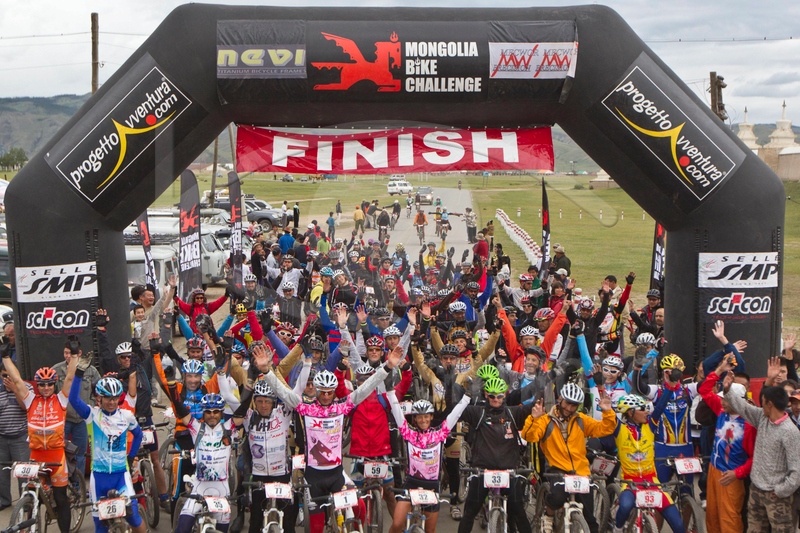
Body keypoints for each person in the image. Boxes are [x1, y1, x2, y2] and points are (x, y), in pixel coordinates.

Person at [259, 345, 404, 533]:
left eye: (330, 392)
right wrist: (266, 371)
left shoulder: (342, 407)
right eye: (323, 392)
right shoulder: (306, 407)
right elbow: (282, 392)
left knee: (359, 509)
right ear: (317, 391)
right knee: (316, 528)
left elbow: (366, 387)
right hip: (314, 476)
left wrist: (387, 367)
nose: (326, 396)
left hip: (336, 474)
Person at [521, 383, 616, 533]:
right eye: (567, 403)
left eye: (574, 406)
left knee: (590, 521)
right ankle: (548, 515)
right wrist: (534, 419)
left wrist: (607, 412)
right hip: (557, 469)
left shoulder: (581, 420)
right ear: (560, 399)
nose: (569, 408)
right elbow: (529, 436)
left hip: (580, 471)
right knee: (557, 497)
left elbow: (605, 429)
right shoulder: (545, 421)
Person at [1, 350, 73, 532]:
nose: (46, 388)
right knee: (34, 497)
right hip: (36, 457)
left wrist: (74, 356)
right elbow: (17, 380)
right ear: (37, 386)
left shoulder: (61, 399)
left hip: (57, 457)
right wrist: (5, 357)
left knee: (61, 499)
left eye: (49, 384)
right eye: (42, 384)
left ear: (54, 384)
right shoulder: (30, 400)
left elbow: (70, 378)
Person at [69, 365, 146, 533]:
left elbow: (138, 435)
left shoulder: (126, 416)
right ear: (99, 398)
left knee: (133, 517)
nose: (111, 402)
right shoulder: (92, 415)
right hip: (99, 478)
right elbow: (73, 399)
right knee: (100, 527)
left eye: (115, 398)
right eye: (107, 398)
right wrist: (79, 373)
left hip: (121, 476)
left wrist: (130, 457)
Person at [387, 390, 470, 533]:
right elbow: (397, 412)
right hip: (412, 483)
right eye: (419, 417)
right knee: (397, 524)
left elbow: (454, 415)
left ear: (431, 417)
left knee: (430, 530)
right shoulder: (409, 433)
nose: (423, 420)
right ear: (415, 419)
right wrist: (390, 392)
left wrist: (467, 397)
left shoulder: (439, 433)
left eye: (426, 416)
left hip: (432, 486)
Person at [457, 378, 534, 533]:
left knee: (520, 514)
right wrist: (463, 390)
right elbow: (456, 409)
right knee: (469, 513)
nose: (495, 399)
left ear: (504, 395)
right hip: (482, 470)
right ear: (486, 394)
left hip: (509, 470)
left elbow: (535, 405)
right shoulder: (478, 412)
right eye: (492, 396)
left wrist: (548, 380)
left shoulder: (513, 413)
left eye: (499, 396)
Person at [611, 394, 686, 533]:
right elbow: (610, 417)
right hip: (630, 482)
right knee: (625, 506)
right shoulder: (619, 429)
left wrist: (670, 386)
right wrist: (604, 403)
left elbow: (660, 407)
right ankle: (618, 529)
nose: (646, 411)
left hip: (652, 482)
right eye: (642, 409)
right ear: (630, 412)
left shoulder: (650, 426)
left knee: (679, 525)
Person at [697, 357, 754, 533]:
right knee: (712, 518)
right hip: (714, 471)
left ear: (738, 401)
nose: (722, 401)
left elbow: (755, 457)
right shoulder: (722, 411)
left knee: (729, 521)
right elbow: (704, 390)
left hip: (731, 477)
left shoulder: (749, 424)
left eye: (726, 399)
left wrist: (737, 473)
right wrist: (720, 370)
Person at [53, 335, 101, 476]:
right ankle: (62, 481)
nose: (67, 356)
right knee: (60, 452)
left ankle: (77, 484)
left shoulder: (91, 370)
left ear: (79, 353)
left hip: (82, 420)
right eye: (65, 353)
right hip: (64, 419)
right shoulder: (56, 370)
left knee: (80, 453)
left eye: (71, 353)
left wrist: (92, 405)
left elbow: (98, 391)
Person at [0, 356, 31, 511]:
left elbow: (26, 407)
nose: (7, 378)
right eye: (4, 375)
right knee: (2, 472)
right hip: (2, 437)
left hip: (20, 436)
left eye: (10, 375)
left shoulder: (25, 387)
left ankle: (25, 501)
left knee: (23, 472)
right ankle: (4, 500)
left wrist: (14, 389)